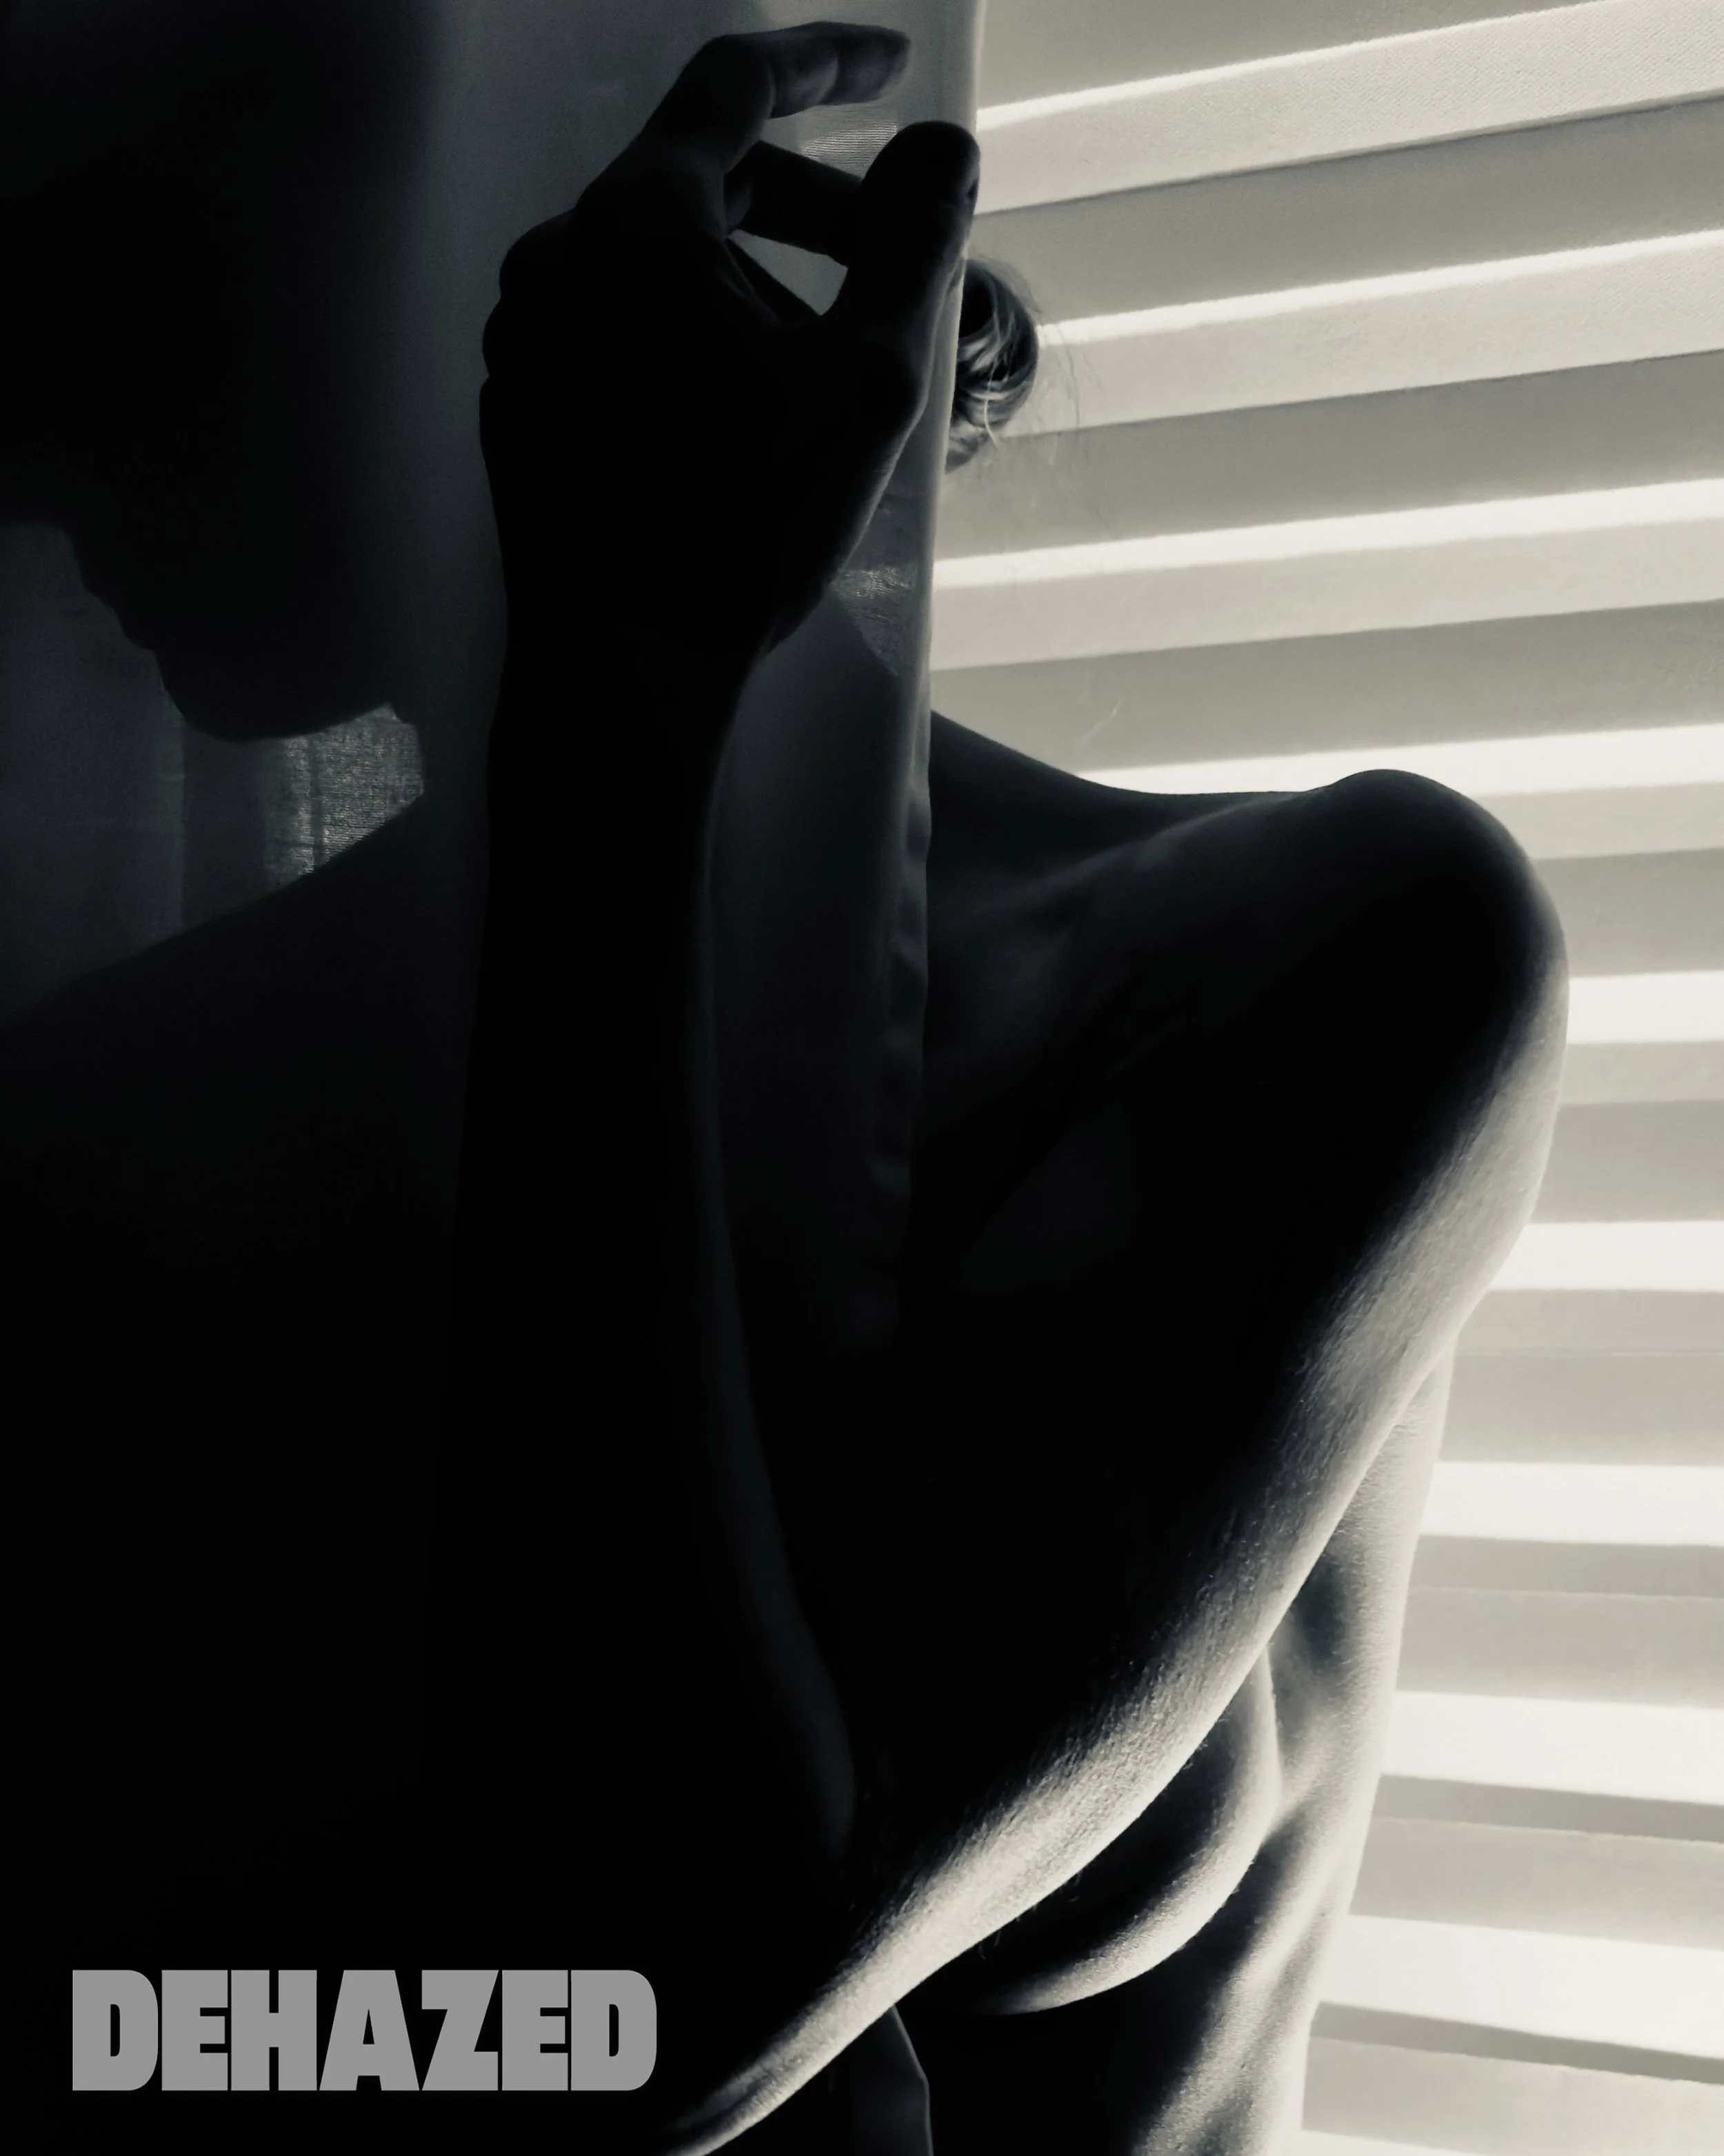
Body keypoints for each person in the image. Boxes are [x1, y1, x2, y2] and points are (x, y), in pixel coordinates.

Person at [5, 13, 1565, 2151]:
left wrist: (615, 705)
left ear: (543, 240)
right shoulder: (118, 1095)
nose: (35, 451)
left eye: (133, 282)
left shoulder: (1311, 950)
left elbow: (649, 2024)